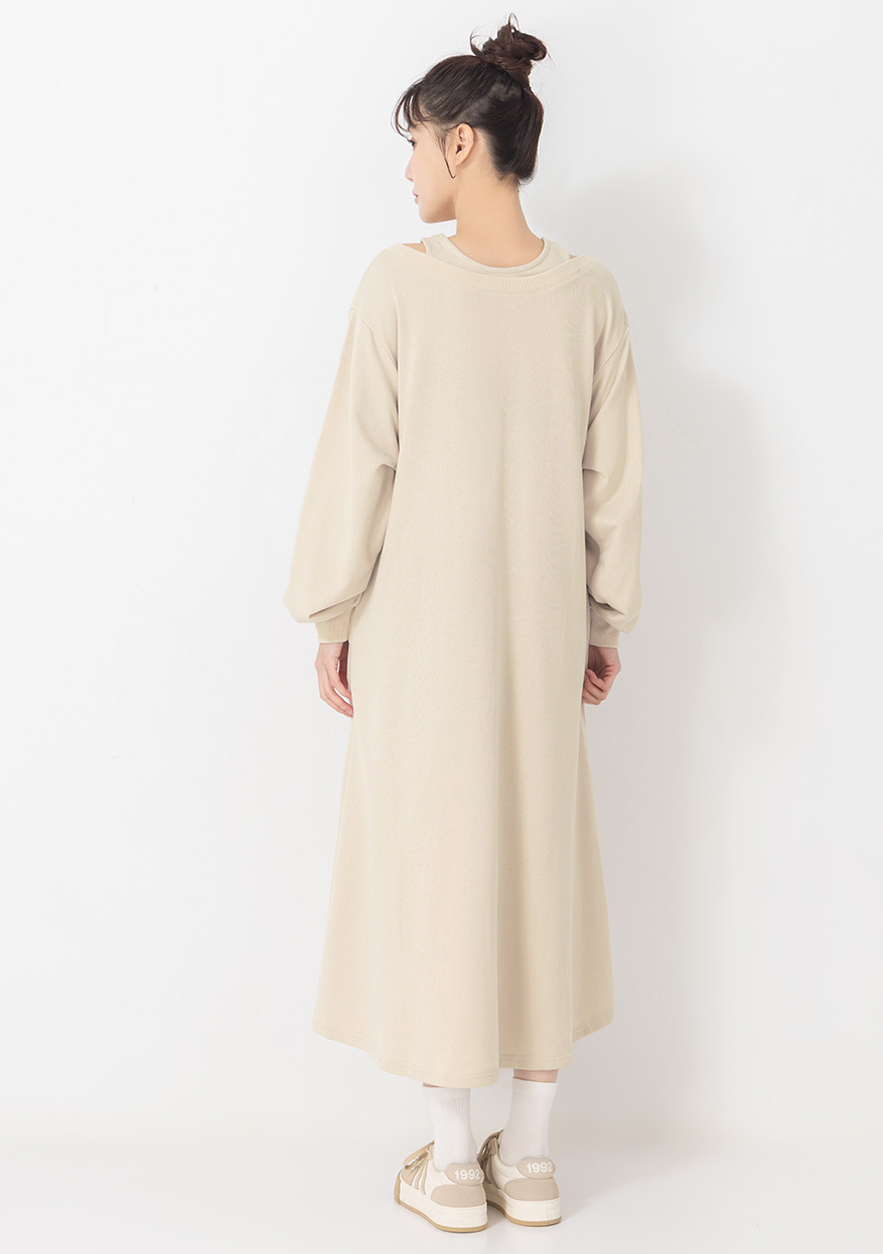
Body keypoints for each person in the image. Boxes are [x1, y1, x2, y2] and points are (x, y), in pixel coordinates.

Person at [283, 15, 643, 1233]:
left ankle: (448, 1164)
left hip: (419, 633)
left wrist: (332, 612)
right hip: (540, 629)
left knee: (437, 866)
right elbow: (612, 481)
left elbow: (358, 462)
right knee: (537, 857)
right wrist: (602, 619)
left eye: (413, 145)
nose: (405, 171)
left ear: (459, 142)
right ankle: (528, 1161)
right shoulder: (588, 296)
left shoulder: (399, 284)